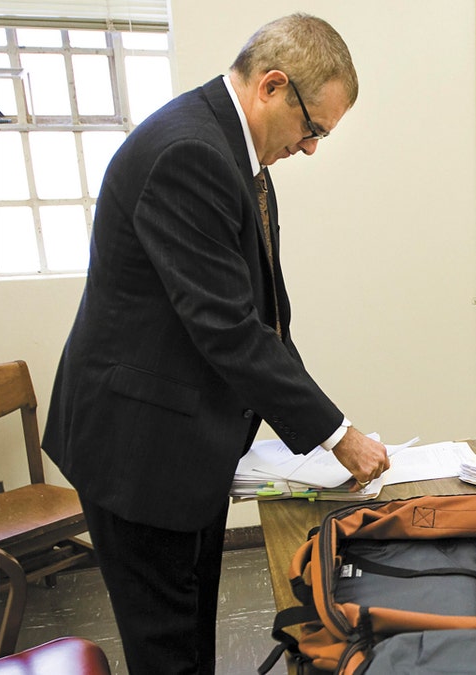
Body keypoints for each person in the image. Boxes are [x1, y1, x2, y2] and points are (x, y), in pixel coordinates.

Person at [41, 14, 390, 674]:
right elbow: (226, 327)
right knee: (169, 649)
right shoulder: (191, 153)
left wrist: (327, 424)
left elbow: (265, 324)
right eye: (313, 128)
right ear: (273, 86)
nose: (312, 148)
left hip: (183, 442)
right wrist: (336, 433)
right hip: (138, 450)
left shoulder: (239, 154)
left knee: (192, 628)